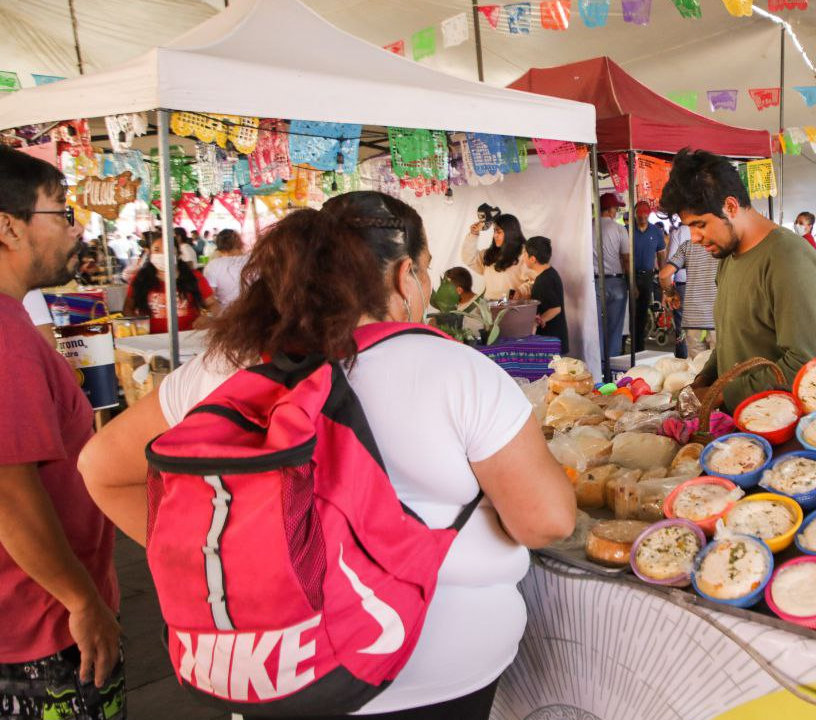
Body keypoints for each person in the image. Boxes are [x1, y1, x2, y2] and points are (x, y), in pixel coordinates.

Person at [78, 191, 576, 720]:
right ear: (404, 275)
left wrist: (224, 561)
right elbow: (546, 521)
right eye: (426, 271)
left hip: (279, 665)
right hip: (434, 682)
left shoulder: (221, 369)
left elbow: (101, 470)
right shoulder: (456, 370)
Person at [0, 147, 123, 720]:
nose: (75, 229)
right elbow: (8, 491)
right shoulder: (6, 337)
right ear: (8, 226)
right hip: (41, 628)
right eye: (60, 212)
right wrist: (81, 600)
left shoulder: (18, 324)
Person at [659, 149, 816, 411]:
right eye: (689, 227)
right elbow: (730, 339)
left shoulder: (788, 258)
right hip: (737, 423)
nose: (693, 237)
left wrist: (721, 394)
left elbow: (806, 363)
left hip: (778, 428)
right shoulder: (728, 256)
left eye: (700, 224)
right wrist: (706, 379)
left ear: (730, 206)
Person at [124, 234, 218, 334]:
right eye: (156, 250)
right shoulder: (140, 279)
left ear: (178, 254)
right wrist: (136, 324)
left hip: (188, 337)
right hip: (150, 340)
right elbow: (128, 307)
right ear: (149, 253)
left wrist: (210, 317)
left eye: (169, 250)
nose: (162, 254)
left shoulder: (193, 277)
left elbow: (212, 304)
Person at [660, 222, 720, 357]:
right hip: (718, 320)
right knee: (721, 372)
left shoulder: (687, 246)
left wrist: (670, 293)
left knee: (697, 371)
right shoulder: (723, 247)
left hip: (693, 321)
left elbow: (664, 275)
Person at [463, 210, 532, 301]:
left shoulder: (524, 254)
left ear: (510, 233)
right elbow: (469, 258)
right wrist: (474, 234)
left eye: (499, 232)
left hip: (514, 309)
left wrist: (520, 291)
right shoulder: (490, 254)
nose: (495, 235)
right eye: (494, 231)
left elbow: (535, 281)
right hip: (490, 309)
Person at [630, 201, 666, 351]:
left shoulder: (656, 232)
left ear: (649, 213)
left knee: (643, 313)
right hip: (630, 276)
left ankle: (639, 348)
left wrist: (664, 278)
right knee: (630, 314)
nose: (642, 216)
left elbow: (661, 256)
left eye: (645, 212)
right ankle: (628, 346)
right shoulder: (627, 230)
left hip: (647, 276)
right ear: (635, 213)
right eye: (639, 212)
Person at [524, 235, 569, 354]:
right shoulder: (549, 273)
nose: (523, 257)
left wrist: (537, 322)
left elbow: (555, 308)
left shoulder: (544, 280)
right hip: (554, 339)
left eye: (524, 254)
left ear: (532, 259)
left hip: (550, 341)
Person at [598, 192, 629, 358]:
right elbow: (626, 258)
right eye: (616, 209)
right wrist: (632, 284)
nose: (616, 212)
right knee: (615, 326)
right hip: (616, 282)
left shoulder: (588, 226)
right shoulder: (619, 229)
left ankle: (599, 363)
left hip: (593, 282)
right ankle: (613, 364)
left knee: (596, 326)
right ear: (610, 210)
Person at [201, 228, 249, 308]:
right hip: (254, 313)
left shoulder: (213, 266)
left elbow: (209, 299)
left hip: (226, 314)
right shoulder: (254, 261)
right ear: (240, 243)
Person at [665, 218, 691, 358]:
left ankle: (683, 361)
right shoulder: (709, 230)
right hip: (707, 284)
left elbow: (670, 263)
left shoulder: (679, 233)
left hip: (683, 283)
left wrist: (669, 292)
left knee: (682, 325)